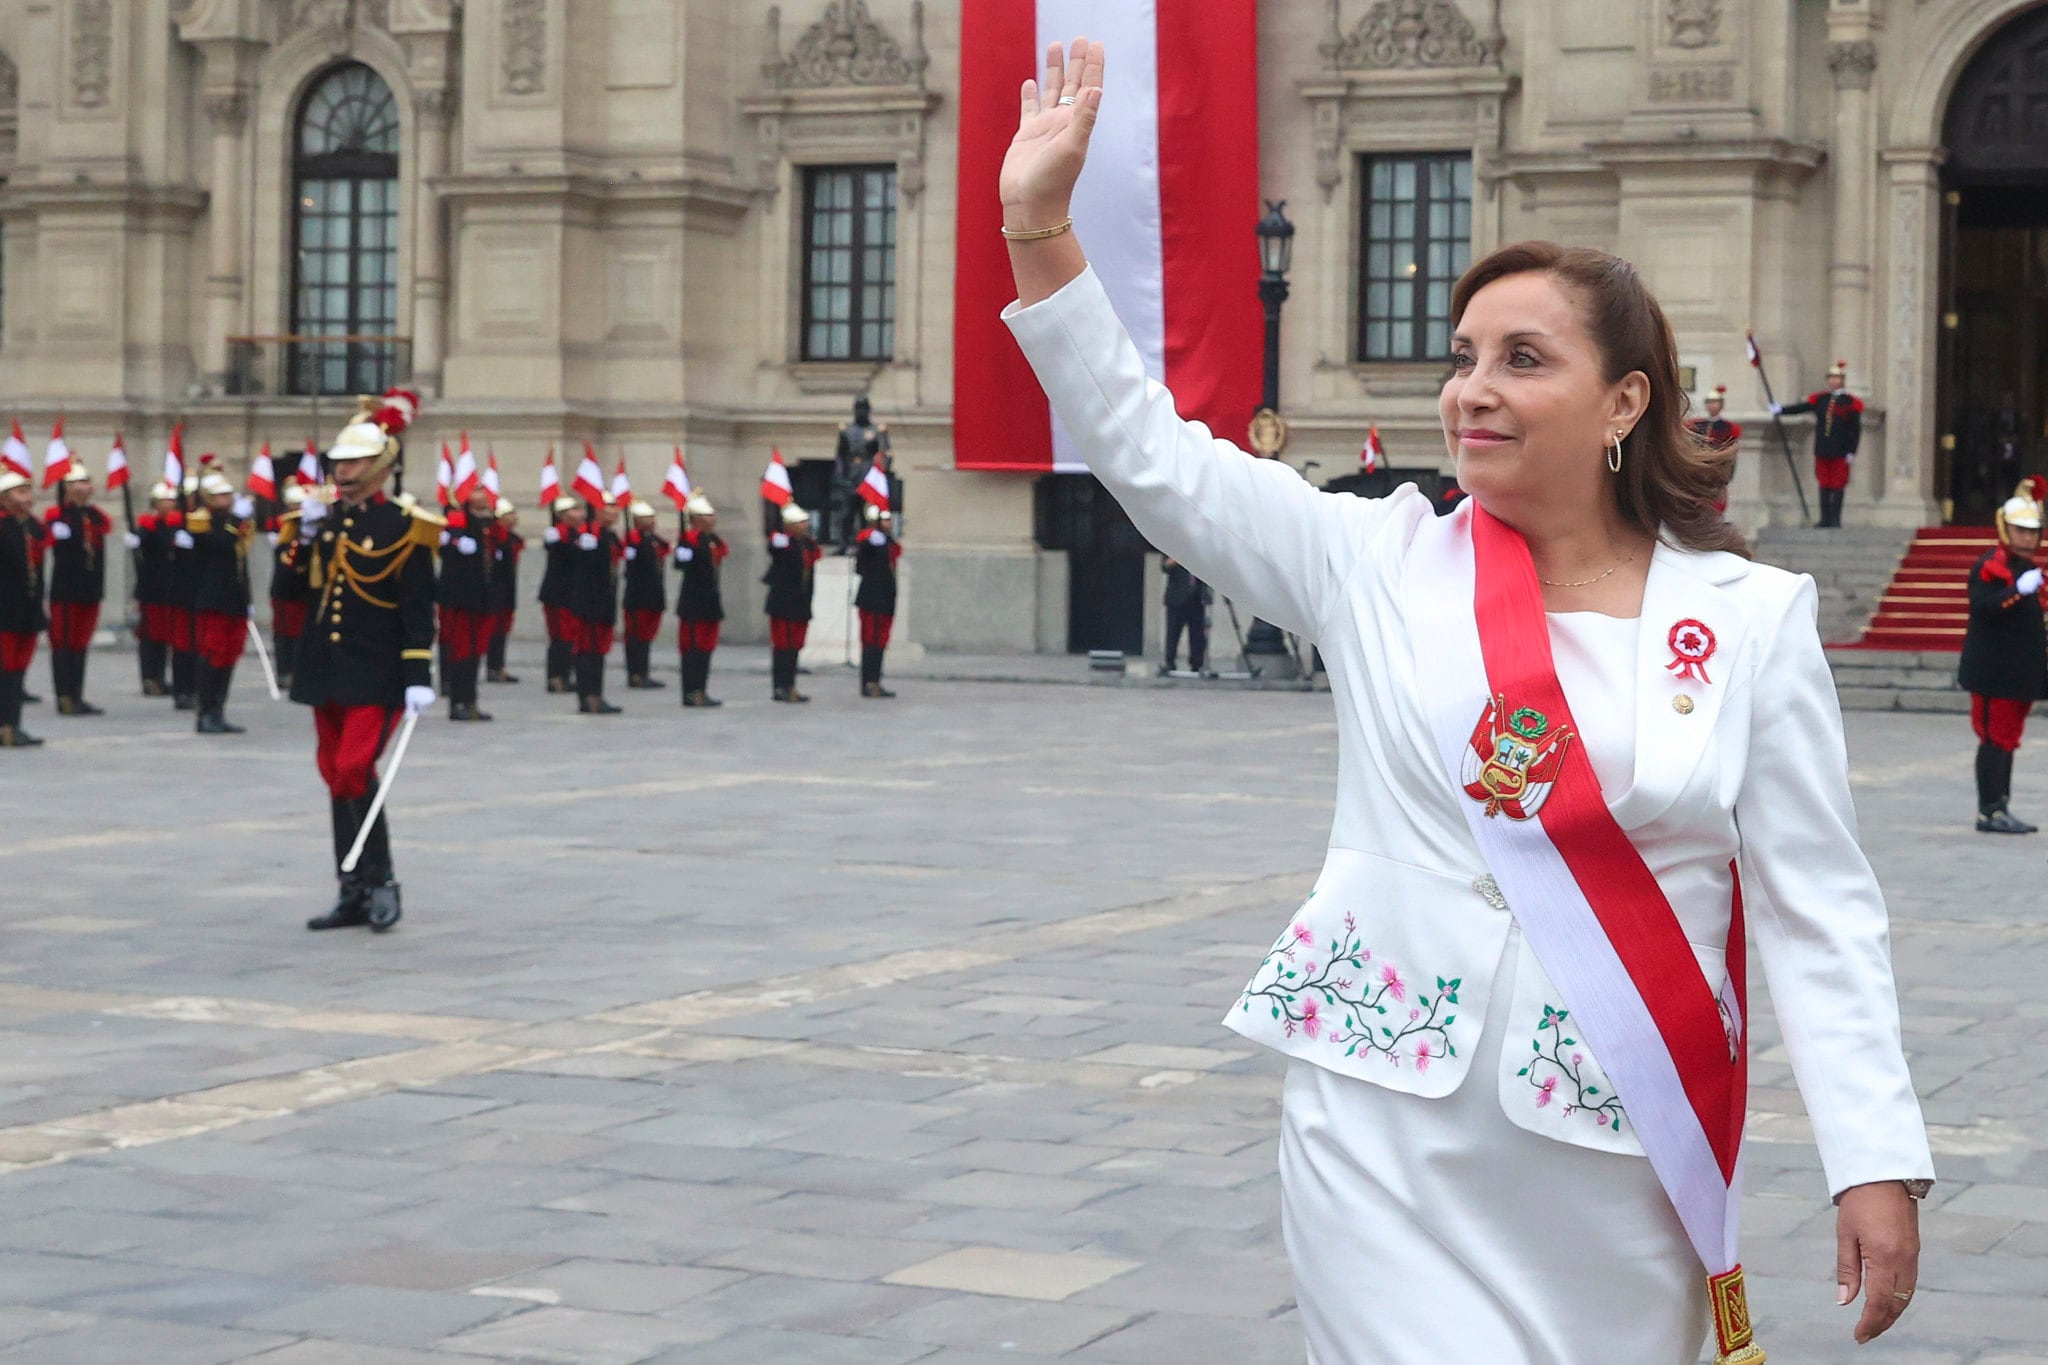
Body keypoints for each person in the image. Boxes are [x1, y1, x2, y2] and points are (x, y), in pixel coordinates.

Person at [997, 39, 1930, 1363]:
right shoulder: (1375, 557)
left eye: (1522, 358)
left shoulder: (1747, 623)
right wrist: (1040, 229)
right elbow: (1156, 462)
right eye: (1462, 354)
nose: (1471, 388)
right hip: (1379, 1120)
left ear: (1623, 401)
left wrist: (1874, 1154)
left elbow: (1818, 914)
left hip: (1609, 1141)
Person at [279, 390, 436, 933]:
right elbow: (288, 590)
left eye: (355, 462)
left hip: (378, 671)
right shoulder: (321, 521)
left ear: (382, 466)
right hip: (326, 668)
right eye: (339, 462)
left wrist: (418, 675)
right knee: (335, 775)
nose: (343, 471)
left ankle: (384, 880)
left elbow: (418, 610)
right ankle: (352, 888)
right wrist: (303, 534)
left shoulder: (405, 526)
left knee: (353, 768)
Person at [1958, 481, 2047, 834]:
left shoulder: (2026, 568)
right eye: (2020, 531)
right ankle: (1989, 810)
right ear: (2004, 529)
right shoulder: (1991, 565)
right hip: (1993, 674)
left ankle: (2001, 805)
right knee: (1994, 740)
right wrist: (2015, 591)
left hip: (2016, 675)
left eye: (2033, 532)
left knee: (2007, 740)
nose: (2028, 538)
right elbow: (1982, 607)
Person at [185, 470, 256, 735]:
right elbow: (222, 543)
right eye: (221, 495)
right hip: (212, 598)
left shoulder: (233, 521)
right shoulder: (201, 520)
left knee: (229, 655)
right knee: (213, 654)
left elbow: (240, 560)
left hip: (234, 597)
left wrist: (247, 597)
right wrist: (237, 518)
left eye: (228, 493)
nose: (227, 498)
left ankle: (218, 710)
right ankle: (205, 713)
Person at [44, 461, 110, 716]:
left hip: (89, 589)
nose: (86, 487)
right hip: (66, 589)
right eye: (79, 482)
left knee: (81, 643)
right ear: (68, 488)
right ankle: (65, 695)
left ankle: (77, 695)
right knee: (64, 643)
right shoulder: (59, 515)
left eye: (87, 482)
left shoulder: (94, 515)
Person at [1771, 360, 1862, 529]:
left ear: (1842, 380)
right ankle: (1825, 518)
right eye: (1831, 378)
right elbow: (1801, 408)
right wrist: (1781, 410)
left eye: (1837, 378)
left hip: (1841, 450)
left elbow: (1855, 430)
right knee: (1824, 484)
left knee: (1838, 485)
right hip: (1823, 448)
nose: (1833, 381)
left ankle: (1835, 519)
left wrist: (1851, 451)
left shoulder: (1850, 403)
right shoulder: (1821, 400)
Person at [436, 483, 497, 721]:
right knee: (462, 651)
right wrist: (453, 543)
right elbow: (448, 550)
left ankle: (469, 701)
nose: (483, 495)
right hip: (462, 598)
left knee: (473, 652)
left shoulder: (482, 523)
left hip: (479, 598)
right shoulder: (458, 519)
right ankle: (459, 702)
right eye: (477, 490)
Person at [0, 466, 48, 747]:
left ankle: (12, 725)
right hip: (5, 608)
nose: (28, 498)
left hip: (27, 609)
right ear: (5, 499)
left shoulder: (32, 526)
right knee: (6, 669)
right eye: (20, 492)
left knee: (18, 669)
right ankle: (7, 725)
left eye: (28, 491)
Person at [569, 496, 624, 714]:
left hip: (604, 602)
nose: (615, 511)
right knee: (588, 650)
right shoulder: (586, 534)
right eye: (609, 507)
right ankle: (588, 696)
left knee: (598, 651)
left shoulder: (608, 536)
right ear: (597, 511)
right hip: (589, 603)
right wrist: (582, 545)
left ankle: (595, 695)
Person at [674, 491, 727, 708]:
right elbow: (680, 565)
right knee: (693, 650)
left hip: (709, 603)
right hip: (693, 603)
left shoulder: (712, 540)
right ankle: (691, 691)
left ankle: (701, 690)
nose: (711, 519)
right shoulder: (689, 541)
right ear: (695, 519)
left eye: (712, 515)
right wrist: (684, 549)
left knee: (705, 650)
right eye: (706, 515)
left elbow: (721, 553)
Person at [764, 502, 820, 702]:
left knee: (795, 647)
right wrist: (777, 532)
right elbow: (775, 548)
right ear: (789, 525)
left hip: (801, 603)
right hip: (783, 603)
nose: (805, 525)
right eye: (800, 522)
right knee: (783, 646)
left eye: (806, 522)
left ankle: (791, 685)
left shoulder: (807, 545)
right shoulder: (783, 542)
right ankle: (781, 686)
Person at [132, 480, 183, 697]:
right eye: (165, 500)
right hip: (152, 589)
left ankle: (161, 677)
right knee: (152, 637)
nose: (170, 504)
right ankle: (150, 677)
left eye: (172, 500)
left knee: (167, 637)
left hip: (172, 588)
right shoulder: (149, 525)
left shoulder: (176, 525)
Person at [268, 484, 313, 691]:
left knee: (302, 635)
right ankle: (285, 671)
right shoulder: (284, 535)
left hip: (304, 591)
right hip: (286, 591)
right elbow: (288, 563)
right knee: (285, 634)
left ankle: (299, 671)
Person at [853, 504, 901, 698]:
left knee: (880, 643)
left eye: (890, 520)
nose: (889, 524)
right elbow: (861, 564)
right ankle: (868, 682)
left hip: (886, 599)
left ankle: (876, 681)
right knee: (870, 642)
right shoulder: (869, 542)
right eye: (885, 520)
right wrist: (870, 544)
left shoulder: (888, 543)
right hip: (871, 599)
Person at [832, 397, 891, 553]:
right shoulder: (847, 431)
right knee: (847, 513)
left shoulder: (877, 431)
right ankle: (843, 544)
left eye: (864, 408)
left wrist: (881, 473)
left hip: (869, 477)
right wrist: (840, 475)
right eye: (858, 408)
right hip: (851, 476)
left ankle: (867, 542)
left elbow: (886, 453)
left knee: (868, 514)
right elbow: (840, 455)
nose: (861, 412)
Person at [621, 500, 669, 689]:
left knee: (646, 636)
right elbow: (630, 563)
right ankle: (635, 673)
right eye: (647, 518)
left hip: (653, 595)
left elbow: (664, 549)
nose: (652, 521)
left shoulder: (652, 540)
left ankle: (643, 672)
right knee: (635, 637)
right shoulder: (634, 540)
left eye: (652, 517)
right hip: (637, 596)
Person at [538, 494, 583, 693]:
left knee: (570, 637)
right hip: (558, 595)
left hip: (573, 594)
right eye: (573, 510)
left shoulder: (577, 534)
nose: (578, 514)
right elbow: (554, 547)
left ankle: (564, 675)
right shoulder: (558, 533)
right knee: (560, 637)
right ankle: (556, 677)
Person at [1686, 385, 1742, 514]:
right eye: (1710, 402)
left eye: (1715, 402)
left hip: (1717, 468)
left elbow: (1731, 451)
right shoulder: (1696, 424)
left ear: (1721, 405)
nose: (1712, 406)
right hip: (1699, 468)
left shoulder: (1728, 427)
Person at [486, 499, 523, 684]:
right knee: (494, 631)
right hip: (494, 590)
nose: (515, 517)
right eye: (510, 513)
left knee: (502, 630)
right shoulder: (494, 536)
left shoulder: (512, 538)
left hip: (507, 589)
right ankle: (492, 667)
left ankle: (498, 666)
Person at [1160, 555, 1211, 676]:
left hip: (1196, 598)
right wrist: (1174, 560)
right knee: (1173, 632)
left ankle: (1196, 663)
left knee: (1197, 634)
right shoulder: (1173, 547)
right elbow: (1164, 567)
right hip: (1177, 598)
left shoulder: (1197, 552)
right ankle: (1170, 662)